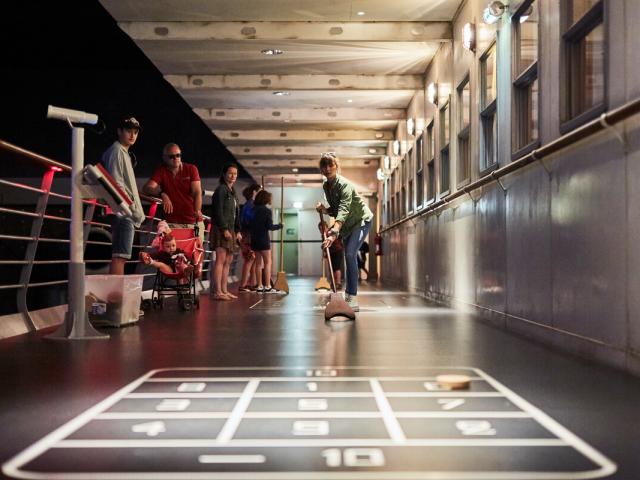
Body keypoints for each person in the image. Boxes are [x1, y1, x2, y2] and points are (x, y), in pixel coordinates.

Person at [316, 152, 373, 312]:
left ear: (336, 166)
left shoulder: (344, 185)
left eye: (330, 165)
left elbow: (344, 209)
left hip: (361, 221)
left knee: (349, 254)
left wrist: (334, 232)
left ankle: (352, 298)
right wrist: (325, 210)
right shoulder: (327, 186)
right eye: (324, 165)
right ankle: (348, 295)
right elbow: (335, 209)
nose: (327, 168)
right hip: (347, 226)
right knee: (349, 258)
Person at [101, 117, 146, 275]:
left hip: (125, 211)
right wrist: (132, 209)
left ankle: (116, 296)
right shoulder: (117, 151)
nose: (132, 135)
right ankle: (115, 298)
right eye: (128, 131)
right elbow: (117, 184)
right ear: (119, 131)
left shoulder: (122, 152)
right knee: (120, 256)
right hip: (123, 212)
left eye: (135, 132)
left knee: (121, 256)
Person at [142, 143, 204, 244]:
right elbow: (147, 188)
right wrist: (162, 194)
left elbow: (197, 192)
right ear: (164, 158)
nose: (175, 158)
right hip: (172, 224)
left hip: (193, 222)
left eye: (178, 155)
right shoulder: (161, 171)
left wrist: (197, 211)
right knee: (172, 256)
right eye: (171, 156)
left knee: (195, 256)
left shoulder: (191, 169)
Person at [210, 164, 242, 300]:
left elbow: (235, 214)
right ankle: (217, 292)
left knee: (228, 261)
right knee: (221, 260)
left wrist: (238, 231)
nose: (233, 176)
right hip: (221, 229)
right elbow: (218, 211)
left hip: (231, 230)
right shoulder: (221, 190)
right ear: (224, 174)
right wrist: (224, 229)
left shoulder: (232, 191)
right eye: (230, 173)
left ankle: (224, 290)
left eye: (235, 174)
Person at [250, 190, 282, 293]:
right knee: (268, 262)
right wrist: (280, 225)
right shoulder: (267, 211)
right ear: (266, 199)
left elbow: (248, 224)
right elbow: (270, 227)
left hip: (254, 239)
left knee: (258, 263)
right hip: (263, 239)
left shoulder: (252, 210)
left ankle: (259, 286)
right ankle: (267, 285)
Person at [238, 184, 262, 292]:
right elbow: (250, 221)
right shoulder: (251, 205)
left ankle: (252, 284)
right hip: (249, 235)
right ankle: (243, 285)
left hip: (247, 235)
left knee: (252, 260)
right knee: (249, 259)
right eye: (258, 192)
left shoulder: (248, 205)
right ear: (253, 193)